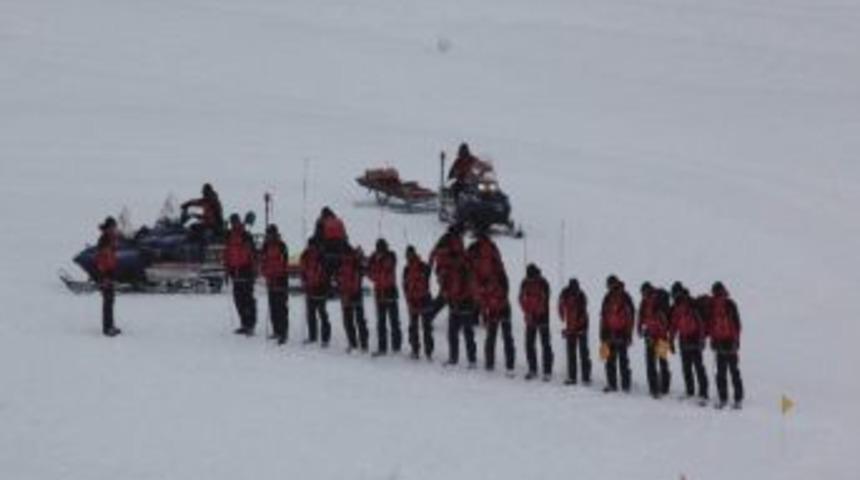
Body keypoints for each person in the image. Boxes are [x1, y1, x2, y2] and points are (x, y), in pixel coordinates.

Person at [669, 282, 709, 403]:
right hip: (685, 339)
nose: (675, 296)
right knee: (688, 367)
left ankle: (703, 392)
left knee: (697, 367)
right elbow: (674, 325)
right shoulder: (677, 307)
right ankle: (691, 391)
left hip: (693, 339)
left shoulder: (691, 304)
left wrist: (702, 339)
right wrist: (671, 339)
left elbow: (700, 323)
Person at [707, 282, 744, 409]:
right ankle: (737, 399)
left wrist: (712, 340)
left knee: (722, 372)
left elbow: (711, 325)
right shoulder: (730, 304)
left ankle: (725, 398)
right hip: (728, 341)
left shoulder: (720, 305)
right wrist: (736, 341)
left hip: (720, 342)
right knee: (733, 371)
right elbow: (737, 325)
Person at [224, 213, 257, 336]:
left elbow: (252, 254)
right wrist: (227, 271)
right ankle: (244, 324)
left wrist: (254, 270)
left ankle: (251, 324)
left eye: (235, 222)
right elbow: (227, 254)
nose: (233, 224)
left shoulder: (246, 236)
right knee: (238, 300)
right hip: (234, 271)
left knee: (247, 299)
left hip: (246, 270)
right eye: (232, 222)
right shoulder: (229, 236)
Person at [600, 275, 634, 392]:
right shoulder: (615, 297)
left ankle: (619, 384)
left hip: (616, 333)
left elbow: (630, 317)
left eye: (609, 285)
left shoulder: (620, 297)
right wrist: (603, 333)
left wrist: (628, 334)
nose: (609, 287)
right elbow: (604, 317)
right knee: (615, 359)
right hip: (615, 333)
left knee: (616, 360)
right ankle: (619, 384)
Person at [367, 239, 402, 356]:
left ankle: (396, 346)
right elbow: (372, 275)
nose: (379, 251)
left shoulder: (390, 257)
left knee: (394, 322)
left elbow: (381, 272)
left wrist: (374, 263)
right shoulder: (375, 259)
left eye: (380, 249)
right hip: (380, 294)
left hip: (389, 293)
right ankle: (383, 347)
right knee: (381, 322)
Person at [519, 264, 553, 381]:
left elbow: (545, 300)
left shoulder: (543, 283)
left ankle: (547, 371)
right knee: (529, 344)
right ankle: (532, 369)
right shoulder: (525, 282)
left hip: (542, 317)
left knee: (545, 345)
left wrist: (534, 314)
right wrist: (527, 312)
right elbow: (521, 298)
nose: (530, 279)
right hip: (530, 318)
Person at [444, 251, 478, 367]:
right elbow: (446, 287)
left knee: (467, 333)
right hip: (455, 306)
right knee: (452, 333)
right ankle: (453, 357)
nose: (454, 261)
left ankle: (472, 360)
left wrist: (457, 299)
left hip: (465, 306)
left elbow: (471, 289)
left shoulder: (467, 271)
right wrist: (448, 297)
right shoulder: (451, 271)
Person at [638, 282, 671, 398]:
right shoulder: (651, 300)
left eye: (643, 292)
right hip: (661, 337)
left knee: (652, 363)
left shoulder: (653, 300)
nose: (642, 295)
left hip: (653, 336)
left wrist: (641, 329)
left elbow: (643, 317)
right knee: (662, 362)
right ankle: (663, 388)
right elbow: (641, 316)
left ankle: (655, 389)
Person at [403, 246, 434, 360]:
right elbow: (428, 276)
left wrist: (408, 300)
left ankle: (415, 350)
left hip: (414, 302)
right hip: (425, 300)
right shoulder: (424, 266)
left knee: (414, 328)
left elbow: (405, 287)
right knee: (426, 328)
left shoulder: (407, 269)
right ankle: (428, 352)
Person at [558, 278, 592, 385]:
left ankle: (583, 377)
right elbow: (561, 307)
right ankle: (579, 377)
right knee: (576, 354)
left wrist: (569, 328)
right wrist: (563, 318)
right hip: (573, 328)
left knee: (581, 354)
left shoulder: (579, 297)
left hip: (580, 328)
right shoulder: (574, 295)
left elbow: (582, 316)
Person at [260, 224, 289, 345]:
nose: (269, 236)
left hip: (280, 279)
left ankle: (283, 333)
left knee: (281, 307)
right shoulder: (266, 246)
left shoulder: (282, 246)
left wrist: (277, 274)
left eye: (270, 234)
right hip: (271, 279)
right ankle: (276, 330)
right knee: (273, 307)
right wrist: (265, 273)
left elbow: (284, 263)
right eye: (268, 234)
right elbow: (263, 261)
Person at [337, 246, 369, 353]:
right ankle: (363, 344)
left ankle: (353, 343)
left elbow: (339, 279)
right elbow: (366, 270)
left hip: (346, 295)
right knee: (360, 320)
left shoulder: (342, 263)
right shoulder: (357, 262)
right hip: (356, 294)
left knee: (349, 321)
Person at [482, 271, 515, 374]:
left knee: (493, 338)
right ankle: (509, 365)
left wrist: (486, 313)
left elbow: (484, 297)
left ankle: (490, 363)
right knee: (506, 338)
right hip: (501, 310)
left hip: (496, 310)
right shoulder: (502, 276)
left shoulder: (489, 279)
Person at [300, 239, 331, 346]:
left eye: (313, 246)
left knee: (322, 314)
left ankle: (325, 339)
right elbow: (303, 270)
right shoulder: (305, 256)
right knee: (311, 314)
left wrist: (326, 287)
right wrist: (304, 282)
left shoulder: (322, 257)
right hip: (310, 288)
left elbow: (326, 274)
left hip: (320, 289)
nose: (311, 248)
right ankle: (313, 336)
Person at [95, 216, 121, 337]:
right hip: (105, 274)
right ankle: (107, 328)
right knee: (108, 301)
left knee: (111, 301)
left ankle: (111, 325)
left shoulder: (110, 238)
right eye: (113, 227)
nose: (115, 229)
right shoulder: (104, 240)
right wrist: (104, 277)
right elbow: (102, 260)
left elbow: (111, 256)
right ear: (109, 227)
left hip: (110, 273)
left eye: (115, 227)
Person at [312, 206, 349, 283]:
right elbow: (345, 237)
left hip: (326, 252)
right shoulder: (339, 221)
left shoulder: (321, 222)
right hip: (340, 250)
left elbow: (317, 237)